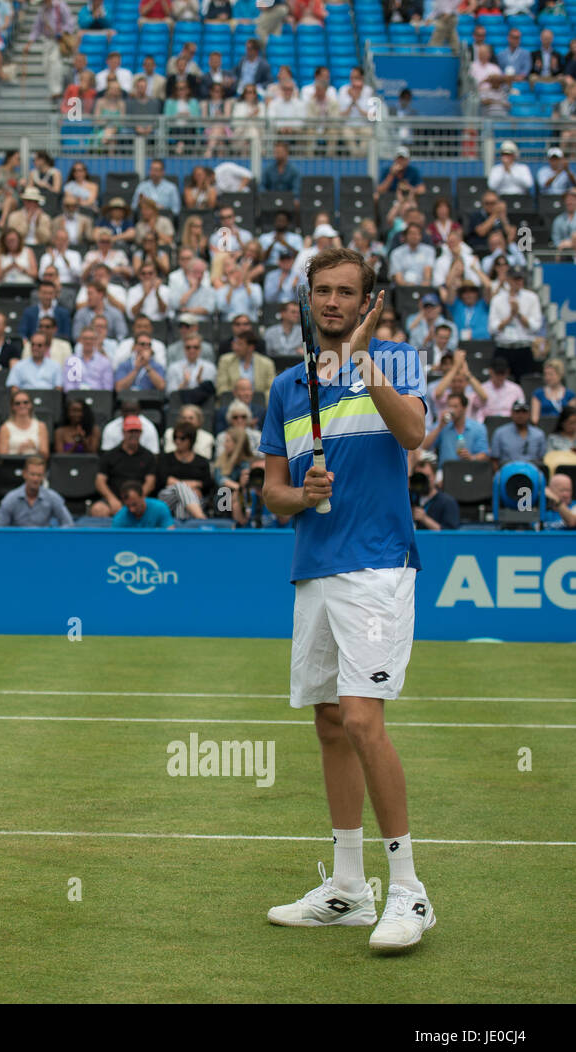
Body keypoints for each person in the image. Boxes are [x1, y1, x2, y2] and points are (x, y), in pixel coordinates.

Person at [259, 245, 435, 952]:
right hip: (314, 568)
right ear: (307, 299)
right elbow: (271, 494)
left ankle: (411, 894)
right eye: (321, 291)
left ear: (368, 303)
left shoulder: (393, 362)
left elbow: (415, 433)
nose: (332, 302)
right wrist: (301, 494)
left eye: (345, 292)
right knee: (330, 722)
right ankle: (349, 890)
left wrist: (362, 363)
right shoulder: (285, 389)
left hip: (376, 568)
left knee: (363, 720)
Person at [89, 416, 157, 517]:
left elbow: (150, 483)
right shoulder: (109, 455)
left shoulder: (148, 456)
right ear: (123, 432)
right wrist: (112, 499)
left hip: (141, 498)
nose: (133, 434)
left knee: (157, 511)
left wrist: (136, 500)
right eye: (130, 431)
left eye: (137, 431)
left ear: (141, 433)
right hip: (114, 498)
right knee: (98, 509)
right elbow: (100, 482)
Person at [0, 455, 74, 526]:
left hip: (44, 541)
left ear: (43, 476)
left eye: (39, 475)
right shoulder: (10, 499)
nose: (35, 479)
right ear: (24, 474)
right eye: (32, 474)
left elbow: (68, 524)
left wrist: (54, 538)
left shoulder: (52, 497)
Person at [491, 399, 548, 470]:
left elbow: (542, 459)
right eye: (517, 411)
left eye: (524, 411)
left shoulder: (539, 434)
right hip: (508, 472)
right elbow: (494, 460)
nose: (520, 415)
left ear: (529, 414)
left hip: (532, 473)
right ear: (511, 413)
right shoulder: (500, 433)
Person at [409, 459, 459, 531]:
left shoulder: (448, 502)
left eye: (427, 476)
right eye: (419, 477)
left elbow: (450, 534)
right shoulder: (408, 499)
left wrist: (424, 519)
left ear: (435, 476)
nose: (423, 481)